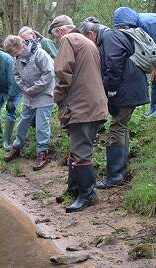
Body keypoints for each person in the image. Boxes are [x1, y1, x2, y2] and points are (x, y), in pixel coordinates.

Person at [79, 18, 149, 190]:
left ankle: (115, 175)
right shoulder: (112, 36)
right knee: (122, 126)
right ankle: (120, 172)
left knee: (117, 127)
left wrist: (112, 93)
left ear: (91, 34)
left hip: (125, 91)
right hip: (131, 89)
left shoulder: (110, 38)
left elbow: (113, 66)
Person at [49, 15, 108, 213]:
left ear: (59, 31)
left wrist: (56, 97)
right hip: (94, 104)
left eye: (55, 36)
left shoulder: (68, 40)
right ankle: (74, 189)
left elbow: (63, 73)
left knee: (82, 152)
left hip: (81, 106)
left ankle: (87, 195)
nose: (57, 40)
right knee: (78, 149)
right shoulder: (88, 41)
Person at [114, 7, 156, 117]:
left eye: (122, 25)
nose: (122, 28)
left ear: (127, 19)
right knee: (155, 78)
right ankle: (153, 109)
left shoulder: (148, 22)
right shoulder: (136, 23)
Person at [3, 35, 55, 171]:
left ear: (22, 45)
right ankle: (17, 147)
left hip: (44, 94)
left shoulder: (40, 54)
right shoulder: (17, 58)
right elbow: (16, 75)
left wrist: (35, 88)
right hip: (29, 95)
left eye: (15, 52)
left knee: (41, 125)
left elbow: (49, 74)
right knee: (23, 122)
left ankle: (42, 153)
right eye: (12, 54)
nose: (14, 56)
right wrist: (25, 89)